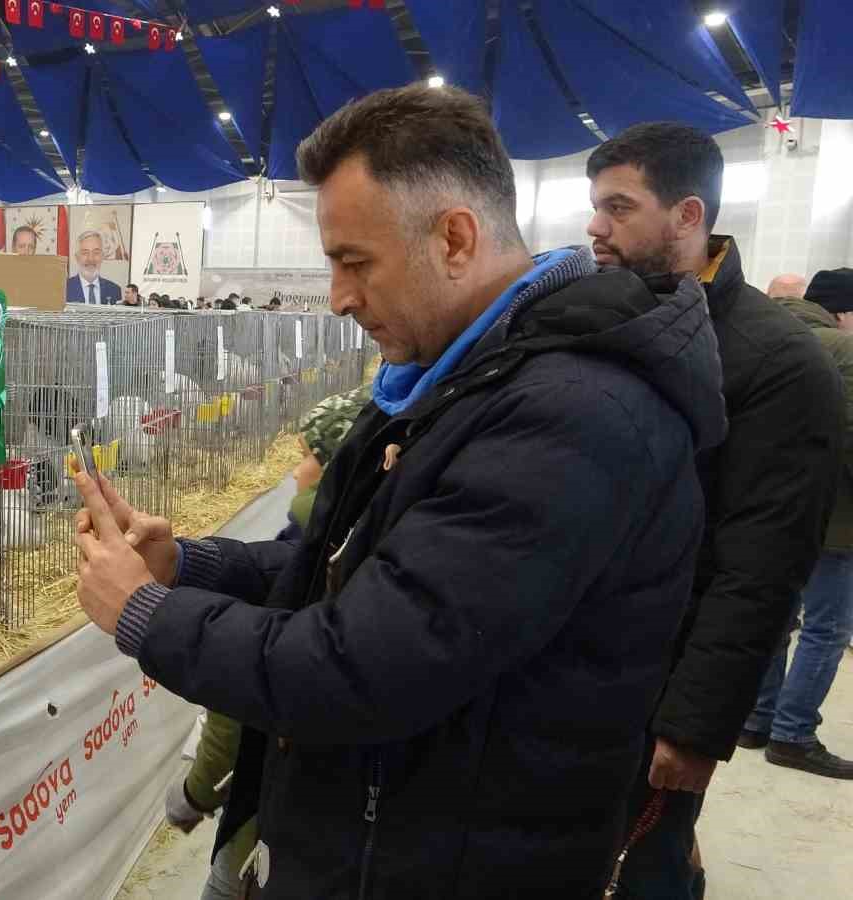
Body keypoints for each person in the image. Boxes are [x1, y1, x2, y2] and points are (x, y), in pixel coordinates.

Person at [72, 85, 726, 898]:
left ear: (454, 238)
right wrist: (185, 567)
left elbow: (361, 666)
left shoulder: (570, 415)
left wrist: (145, 614)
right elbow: (345, 574)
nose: (341, 296)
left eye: (356, 261)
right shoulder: (460, 382)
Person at [584, 123, 840, 899]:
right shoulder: (597, 317)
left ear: (688, 216)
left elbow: (761, 566)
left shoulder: (775, 361)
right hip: (571, 663)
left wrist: (695, 725)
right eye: (595, 206)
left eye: (618, 208)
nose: (595, 227)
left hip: (662, 676)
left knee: (639, 865)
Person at [166, 384, 374, 900]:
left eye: (307, 458)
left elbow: (238, 698)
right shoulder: (359, 544)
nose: (295, 472)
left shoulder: (314, 552)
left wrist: (196, 793)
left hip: (273, 814)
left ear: (335, 470)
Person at [732, 269, 853, 779]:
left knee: (780, 616)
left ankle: (758, 718)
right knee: (828, 627)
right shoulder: (844, 351)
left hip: (771, 509)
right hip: (836, 517)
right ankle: (794, 732)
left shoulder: (763, 334)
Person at [67, 230, 120, 304]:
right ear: (77, 257)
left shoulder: (114, 290)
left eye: (96, 253)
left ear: (102, 256)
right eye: (85, 253)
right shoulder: (63, 290)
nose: (91, 259)